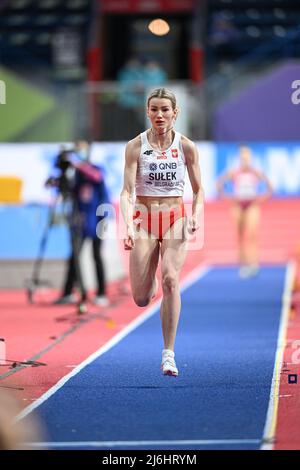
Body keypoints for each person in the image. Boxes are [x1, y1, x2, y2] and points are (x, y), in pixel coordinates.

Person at [120, 88, 204, 376]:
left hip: (174, 217)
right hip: (144, 218)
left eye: (165, 109)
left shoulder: (186, 146)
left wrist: (195, 216)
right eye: (154, 109)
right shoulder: (135, 145)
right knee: (141, 298)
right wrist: (128, 225)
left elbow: (199, 190)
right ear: (147, 112)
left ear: (175, 112)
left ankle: (168, 353)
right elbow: (126, 191)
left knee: (171, 279)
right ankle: (150, 271)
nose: (159, 114)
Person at [50, 140, 110, 306]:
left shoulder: (95, 168)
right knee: (74, 256)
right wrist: (57, 183)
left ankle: (101, 293)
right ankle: (69, 292)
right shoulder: (76, 174)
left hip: (98, 221)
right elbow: (70, 192)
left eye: (82, 149)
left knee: (96, 255)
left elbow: (97, 177)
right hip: (81, 220)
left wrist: (77, 164)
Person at [217, 145, 273, 278]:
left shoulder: (255, 172)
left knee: (253, 234)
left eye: (247, 158)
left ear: (251, 159)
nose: (245, 160)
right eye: (243, 157)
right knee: (240, 235)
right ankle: (243, 265)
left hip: (252, 205)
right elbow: (219, 185)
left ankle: (254, 264)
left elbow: (270, 187)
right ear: (239, 159)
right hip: (238, 205)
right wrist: (229, 198)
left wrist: (261, 199)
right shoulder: (234, 172)